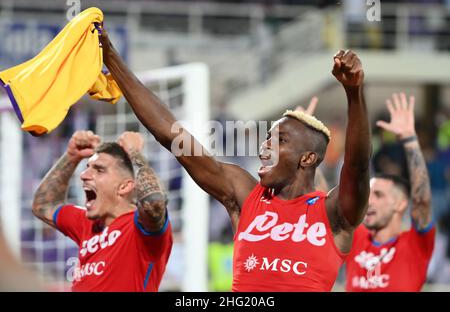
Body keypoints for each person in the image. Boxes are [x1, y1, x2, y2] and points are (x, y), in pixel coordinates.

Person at [100, 27, 371, 291]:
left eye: (281, 140)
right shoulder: (245, 194)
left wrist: (354, 93)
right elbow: (171, 135)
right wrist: (111, 57)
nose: (265, 147)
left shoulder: (333, 212)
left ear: (308, 158)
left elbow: (357, 166)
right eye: (267, 138)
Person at [32, 130, 172, 292]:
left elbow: (154, 203)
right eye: (87, 168)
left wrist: (134, 152)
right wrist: (71, 157)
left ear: (124, 186)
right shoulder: (86, 223)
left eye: (99, 170)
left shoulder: (141, 229)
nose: (84, 175)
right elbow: (43, 205)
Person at [345, 93, 435, 292]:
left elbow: (422, 201)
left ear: (400, 203)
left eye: (379, 195)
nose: (369, 202)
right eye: (369, 195)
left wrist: (410, 141)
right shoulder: (357, 238)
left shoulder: (414, 245)